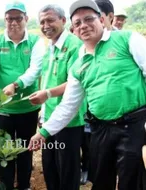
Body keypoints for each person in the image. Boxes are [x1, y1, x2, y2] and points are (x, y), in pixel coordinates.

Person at [29, 0, 146, 190]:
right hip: (100, 129)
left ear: (101, 19)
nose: (83, 25)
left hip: (133, 126)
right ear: (73, 30)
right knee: (100, 181)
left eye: (89, 19)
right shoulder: (79, 65)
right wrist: (43, 133)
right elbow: (69, 105)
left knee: (131, 181)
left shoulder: (128, 40)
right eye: (77, 23)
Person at [0, 2, 44, 189]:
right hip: (2, 108)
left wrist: (16, 84)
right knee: (3, 150)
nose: (14, 22)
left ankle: (24, 184)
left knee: (24, 149)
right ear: (5, 20)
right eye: (9, 18)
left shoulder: (36, 42)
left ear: (26, 19)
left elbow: (36, 69)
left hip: (27, 106)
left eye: (18, 18)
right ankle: (6, 184)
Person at [29, 4, 85, 190]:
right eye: (42, 22)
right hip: (49, 119)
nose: (46, 25)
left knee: (67, 172)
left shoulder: (75, 46)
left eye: (50, 20)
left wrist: (47, 94)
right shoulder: (50, 48)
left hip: (69, 122)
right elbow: (46, 82)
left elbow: (75, 83)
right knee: (50, 168)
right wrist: (42, 111)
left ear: (63, 20)